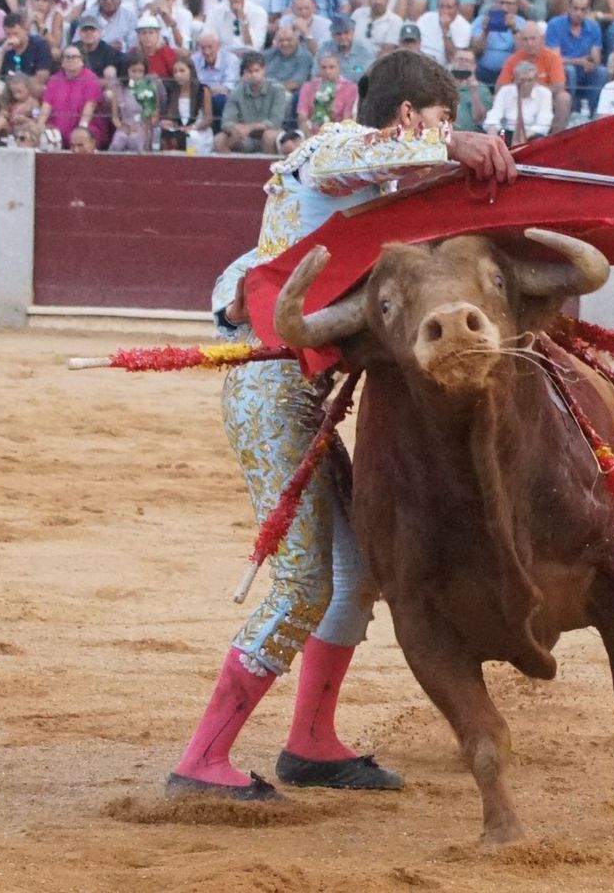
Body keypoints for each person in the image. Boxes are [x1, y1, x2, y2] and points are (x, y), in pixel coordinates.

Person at [173, 50, 514, 800]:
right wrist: (450, 146)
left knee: (357, 571)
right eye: (439, 120)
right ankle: (201, 761)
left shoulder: (378, 205)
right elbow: (342, 161)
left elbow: (270, 259)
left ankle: (312, 741)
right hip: (269, 388)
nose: (445, 134)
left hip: (311, 394)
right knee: (301, 581)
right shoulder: (328, 150)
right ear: (408, 119)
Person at [496, 19, 569, 123]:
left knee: (564, 98)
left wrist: (534, 87)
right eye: (525, 39)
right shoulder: (513, 59)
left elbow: (559, 87)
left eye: (533, 39)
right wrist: (522, 86)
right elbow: (499, 87)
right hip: (518, 97)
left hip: (545, 99)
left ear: (542, 39)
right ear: (520, 41)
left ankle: (556, 137)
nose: (529, 43)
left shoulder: (553, 57)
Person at [545, 0, 605, 116]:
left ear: (587, 11)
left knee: (601, 71)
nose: (578, 13)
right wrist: (579, 61)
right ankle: (570, 112)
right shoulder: (554, 25)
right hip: (562, 71)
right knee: (570, 70)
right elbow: (554, 59)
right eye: (575, 8)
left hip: (584, 70)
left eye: (583, 9)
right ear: (569, 8)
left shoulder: (594, 27)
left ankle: (594, 112)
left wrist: (592, 62)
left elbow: (596, 56)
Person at [215, 51, 287, 154]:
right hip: (244, 136)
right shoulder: (237, 91)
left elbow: (275, 122)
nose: (254, 75)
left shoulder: (277, 90)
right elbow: (226, 121)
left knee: (268, 136)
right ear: (244, 73)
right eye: (250, 71)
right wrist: (235, 128)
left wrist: (250, 127)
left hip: (270, 134)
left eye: (257, 70)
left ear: (263, 70)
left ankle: (269, 169)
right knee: (219, 139)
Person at [40, 42, 103, 148]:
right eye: (67, 57)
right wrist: (39, 127)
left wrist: (81, 129)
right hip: (57, 129)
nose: (70, 60)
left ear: (82, 61)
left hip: (85, 126)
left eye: (74, 57)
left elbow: (90, 107)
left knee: (83, 138)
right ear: (62, 62)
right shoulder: (54, 79)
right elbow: (46, 108)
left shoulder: (90, 78)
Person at [483, 58, 552, 140]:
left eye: (530, 80)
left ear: (536, 80)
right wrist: (492, 129)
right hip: (507, 131)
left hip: (531, 133)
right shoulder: (505, 91)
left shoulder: (544, 93)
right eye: (522, 80)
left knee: (539, 140)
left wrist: (524, 136)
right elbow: (494, 114)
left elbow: (544, 123)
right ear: (515, 79)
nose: (526, 84)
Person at [296, 52, 359, 133]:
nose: (327, 71)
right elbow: (302, 117)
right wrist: (309, 137)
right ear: (318, 68)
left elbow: (347, 120)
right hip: (310, 131)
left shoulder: (351, 88)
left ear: (339, 68)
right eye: (323, 67)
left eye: (332, 67)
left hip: (338, 132)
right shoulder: (308, 87)